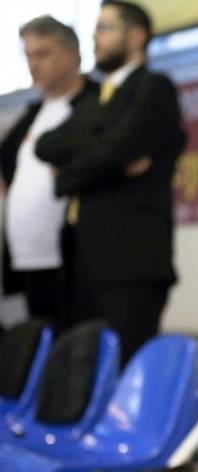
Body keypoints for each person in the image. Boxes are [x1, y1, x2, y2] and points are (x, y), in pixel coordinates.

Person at [35, 0, 185, 365]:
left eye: (105, 28)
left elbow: (116, 150)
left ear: (136, 36)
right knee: (81, 376)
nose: (94, 37)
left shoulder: (154, 88)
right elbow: (46, 145)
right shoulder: (98, 101)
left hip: (129, 263)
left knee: (123, 373)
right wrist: (107, 154)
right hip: (81, 261)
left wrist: (67, 174)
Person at [0, 16, 98, 324]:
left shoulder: (98, 105)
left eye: (42, 54)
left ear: (72, 53)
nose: (34, 64)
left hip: (77, 261)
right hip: (29, 259)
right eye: (28, 55)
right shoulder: (31, 115)